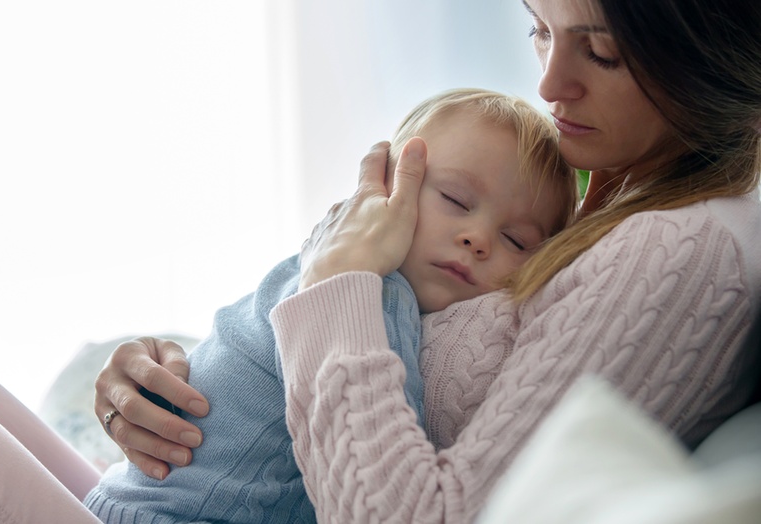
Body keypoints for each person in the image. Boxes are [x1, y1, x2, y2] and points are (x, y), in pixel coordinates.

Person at [95, 0, 761, 522]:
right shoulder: (606, 188)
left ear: (712, 52)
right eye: (539, 28)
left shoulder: (679, 252)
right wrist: (180, 373)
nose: (550, 83)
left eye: (602, 52)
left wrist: (336, 283)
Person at [83, 87, 577, 523]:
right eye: (454, 198)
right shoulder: (370, 294)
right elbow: (389, 457)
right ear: (382, 187)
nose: (478, 238)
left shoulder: (330, 274)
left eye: (515, 239)